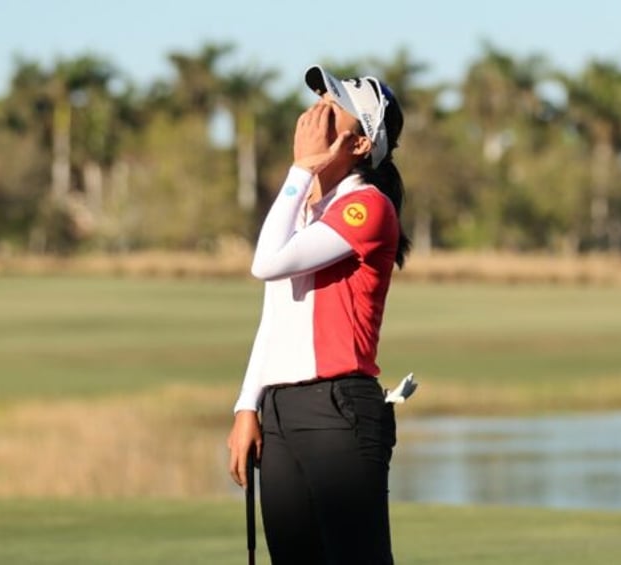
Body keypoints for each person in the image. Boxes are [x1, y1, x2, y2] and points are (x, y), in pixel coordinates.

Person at [227, 64, 411, 565]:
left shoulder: (366, 206)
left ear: (356, 145)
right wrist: (248, 404)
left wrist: (298, 171)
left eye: (332, 111)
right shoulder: (308, 210)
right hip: (282, 412)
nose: (314, 115)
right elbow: (276, 315)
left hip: (338, 410)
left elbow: (265, 264)